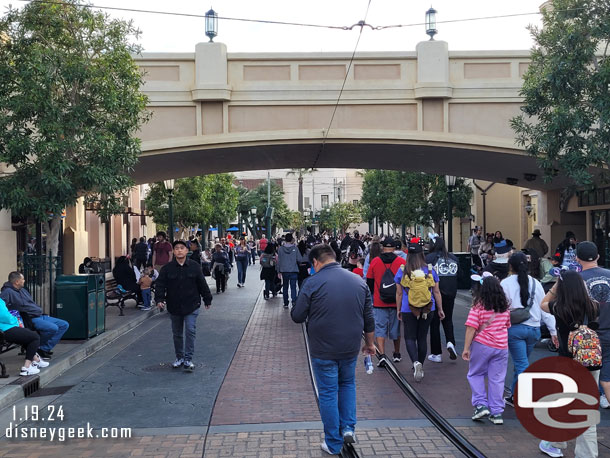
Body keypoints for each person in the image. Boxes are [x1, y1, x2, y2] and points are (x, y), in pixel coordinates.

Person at [291, 244, 375, 456]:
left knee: (328, 392)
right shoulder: (358, 281)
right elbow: (369, 317)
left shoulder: (312, 283)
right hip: (350, 347)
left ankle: (333, 442)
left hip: (323, 348)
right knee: (347, 384)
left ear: (316, 262)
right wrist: (371, 344)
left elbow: (297, 315)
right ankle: (348, 428)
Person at [539, 269, 599, 458]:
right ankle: (587, 454)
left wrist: (556, 285)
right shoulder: (594, 306)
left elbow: (543, 304)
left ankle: (555, 442)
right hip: (590, 360)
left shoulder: (559, 307)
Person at [501, 252, 558, 406]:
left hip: (515, 330)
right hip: (534, 331)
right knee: (521, 363)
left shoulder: (505, 284)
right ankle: (514, 395)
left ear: (510, 266)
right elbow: (545, 309)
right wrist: (553, 331)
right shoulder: (536, 283)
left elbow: (499, 309)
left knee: (521, 364)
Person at [155, 240, 213, 372]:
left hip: (192, 304)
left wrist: (207, 299)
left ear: (187, 251)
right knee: (177, 333)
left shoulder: (194, 266)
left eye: (182, 248)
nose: (179, 250)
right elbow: (160, 285)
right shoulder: (167, 268)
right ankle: (179, 357)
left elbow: (202, 284)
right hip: (174, 305)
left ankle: (188, 358)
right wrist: (159, 299)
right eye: (177, 248)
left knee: (190, 330)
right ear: (174, 252)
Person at [462, 273, 511, 425]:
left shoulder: (478, 307)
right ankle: (497, 413)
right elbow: (507, 325)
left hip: (483, 344)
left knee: (475, 374)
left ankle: (481, 405)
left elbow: (471, 328)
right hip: (501, 346)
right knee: (497, 379)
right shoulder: (505, 307)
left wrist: (466, 348)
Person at [395, 238, 444, 382]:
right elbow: (436, 292)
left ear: (408, 255)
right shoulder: (429, 269)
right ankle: (420, 364)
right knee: (422, 337)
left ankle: (415, 362)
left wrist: (398, 309)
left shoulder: (403, 270)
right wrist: (440, 308)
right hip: (428, 308)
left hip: (408, 308)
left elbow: (398, 293)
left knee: (409, 337)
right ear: (422, 254)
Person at [0, 272, 69, 359]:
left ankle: (43, 349)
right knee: (53, 328)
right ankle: (35, 347)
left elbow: (31, 303)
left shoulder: (23, 290)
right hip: (30, 318)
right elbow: (1, 306)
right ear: (17, 281)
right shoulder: (7, 292)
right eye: (23, 279)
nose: (24, 281)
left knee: (64, 324)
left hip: (40, 315)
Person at [576, 241, 610, 410]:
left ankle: (586, 413)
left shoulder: (577, 279)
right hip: (609, 330)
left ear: (576, 258)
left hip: (587, 334)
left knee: (586, 376)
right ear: (597, 256)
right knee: (607, 377)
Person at [366, 236, 405, 365]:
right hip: (396, 301)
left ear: (383, 248)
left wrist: (373, 295)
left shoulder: (375, 261)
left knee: (380, 328)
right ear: (394, 248)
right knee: (395, 328)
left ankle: (382, 354)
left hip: (379, 301)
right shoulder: (401, 262)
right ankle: (397, 352)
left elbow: (370, 282)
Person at [426, 237, 459, 363]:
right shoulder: (453, 258)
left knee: (434, 323)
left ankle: (436, 353)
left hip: (434, 293)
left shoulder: (429, 258)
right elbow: (459, 275)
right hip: (451, 292)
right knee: (448, 319)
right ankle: (450, 342)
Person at [0, 297, 50, 376]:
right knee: (35, 337)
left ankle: (36, 360)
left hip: (3, 330)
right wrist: (15, 320)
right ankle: (26, 367)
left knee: (27, 335)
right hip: (4, 330)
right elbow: (5, 317)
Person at [278, 233, 299, 309]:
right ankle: (294, 301)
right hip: (293, 270)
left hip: (284, 270)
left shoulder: (280, 249)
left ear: (285, 239)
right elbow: (299, 259)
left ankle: (285, 302)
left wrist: (278, 271)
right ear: (292, 239)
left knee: (285, 287)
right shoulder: (295, 248)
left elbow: (279, 261)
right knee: (293, 287)